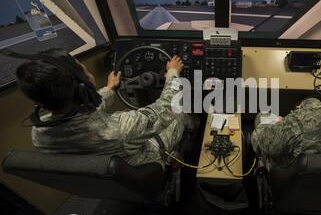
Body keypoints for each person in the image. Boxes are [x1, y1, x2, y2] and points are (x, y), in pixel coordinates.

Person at [15, 51, 197, 168]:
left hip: (110, 173)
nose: (88, 73)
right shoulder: (123, 127)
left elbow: (82, 114)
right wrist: (173, 73)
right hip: (143, 162)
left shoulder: (39, 134)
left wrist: (109, 89)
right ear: (83, 86)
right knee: (178, 115)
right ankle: (194, 131)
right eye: (84, 72)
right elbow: (165, 107)